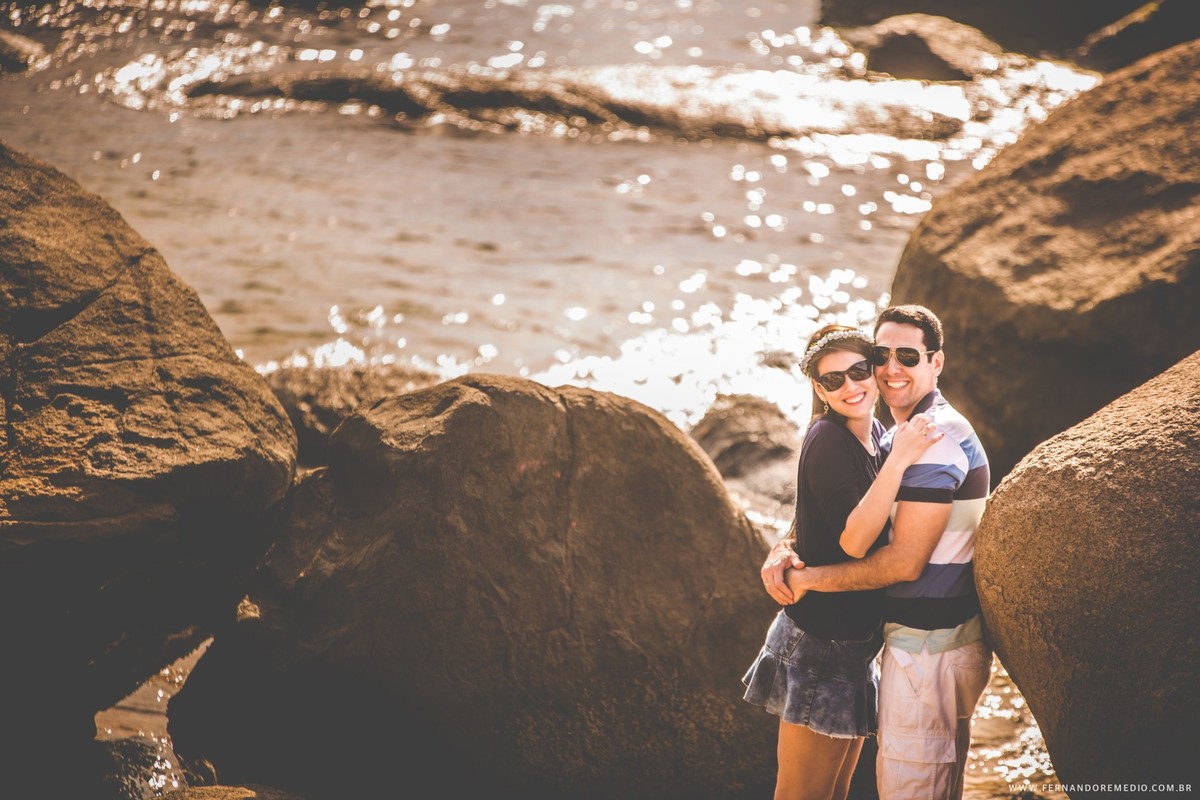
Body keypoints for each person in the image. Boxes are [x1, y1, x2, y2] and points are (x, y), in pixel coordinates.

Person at [761, 305, 992, 800]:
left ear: (937, 363)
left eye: (906, 356)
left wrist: (807, 578)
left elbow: (901, 560)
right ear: (819, 390)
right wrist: (786, 548)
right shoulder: (887, 438)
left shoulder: (920, 439)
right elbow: (839, 519)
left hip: (925, 651)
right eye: (881, 356)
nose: (889, 369)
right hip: (871, 644)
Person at [742, 323, 943, 800]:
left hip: (852, 646)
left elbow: (812, 517)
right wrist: (901, 460)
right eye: (834, 380)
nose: (851, 386)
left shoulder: (873, 432)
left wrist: (786, 543)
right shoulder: (829, 439)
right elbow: (855, 542)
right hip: (819, 644)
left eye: (858, 372)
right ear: (818, 388)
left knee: (834, 792)